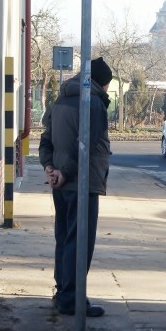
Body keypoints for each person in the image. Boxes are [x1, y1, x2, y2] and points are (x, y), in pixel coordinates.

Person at [39, 57, 112, 317]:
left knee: (65, 238)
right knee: (79, 242)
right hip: (81, 182)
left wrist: (50, 167)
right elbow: (86, 144)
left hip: (61, 183)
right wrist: (64, 172)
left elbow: (46, 140)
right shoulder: (92, 104)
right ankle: (71, 300)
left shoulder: (59, 101)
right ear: (102, 84)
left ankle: (63, 293)